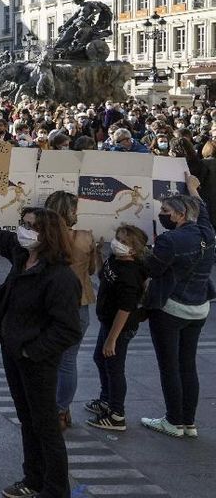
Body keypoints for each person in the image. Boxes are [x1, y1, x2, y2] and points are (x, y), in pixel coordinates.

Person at [0, 186, 83, 498]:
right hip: (14, 353)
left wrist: (31, 350)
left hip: (36, 359)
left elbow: (68, 329)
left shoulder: (59, 277)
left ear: (46, 233)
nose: (23, 231)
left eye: (31, 226)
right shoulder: (23, 255)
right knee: (28, 420)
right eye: (22, 224)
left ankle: (55, 489)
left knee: (46, 426)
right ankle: (33, 479)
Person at [141, 173, 214, 438]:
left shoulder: (170, 240)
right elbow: (202, 208)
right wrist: (193, 187)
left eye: (165, 211)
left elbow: (152, 269)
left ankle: (173, 421)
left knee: (169, 366)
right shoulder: (207, 232)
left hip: (171, 308)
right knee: (188, 364)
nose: (162, 214)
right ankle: (189, 423)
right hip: (199, 307)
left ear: (180, 215)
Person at [44, 191, 99, 432]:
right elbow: (94, 270)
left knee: (48, 360)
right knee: (69, 361)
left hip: (50, 305)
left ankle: (48, 408)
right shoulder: (86, 238)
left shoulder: (44, 238)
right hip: (80, 304)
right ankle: (62, 410)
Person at [86, 224, 148, 431]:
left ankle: (116, 414)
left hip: (119, 327)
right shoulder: (115, 260)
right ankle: (106, 399)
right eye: (118, 239)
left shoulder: (130, 274)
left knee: (114, 368)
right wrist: (97, 253)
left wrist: (112, 339)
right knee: (100, 359)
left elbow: (125, 309)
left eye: (123, 242)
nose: (117, 244)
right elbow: (102, 274)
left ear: (134, 249)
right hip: (107, 322)